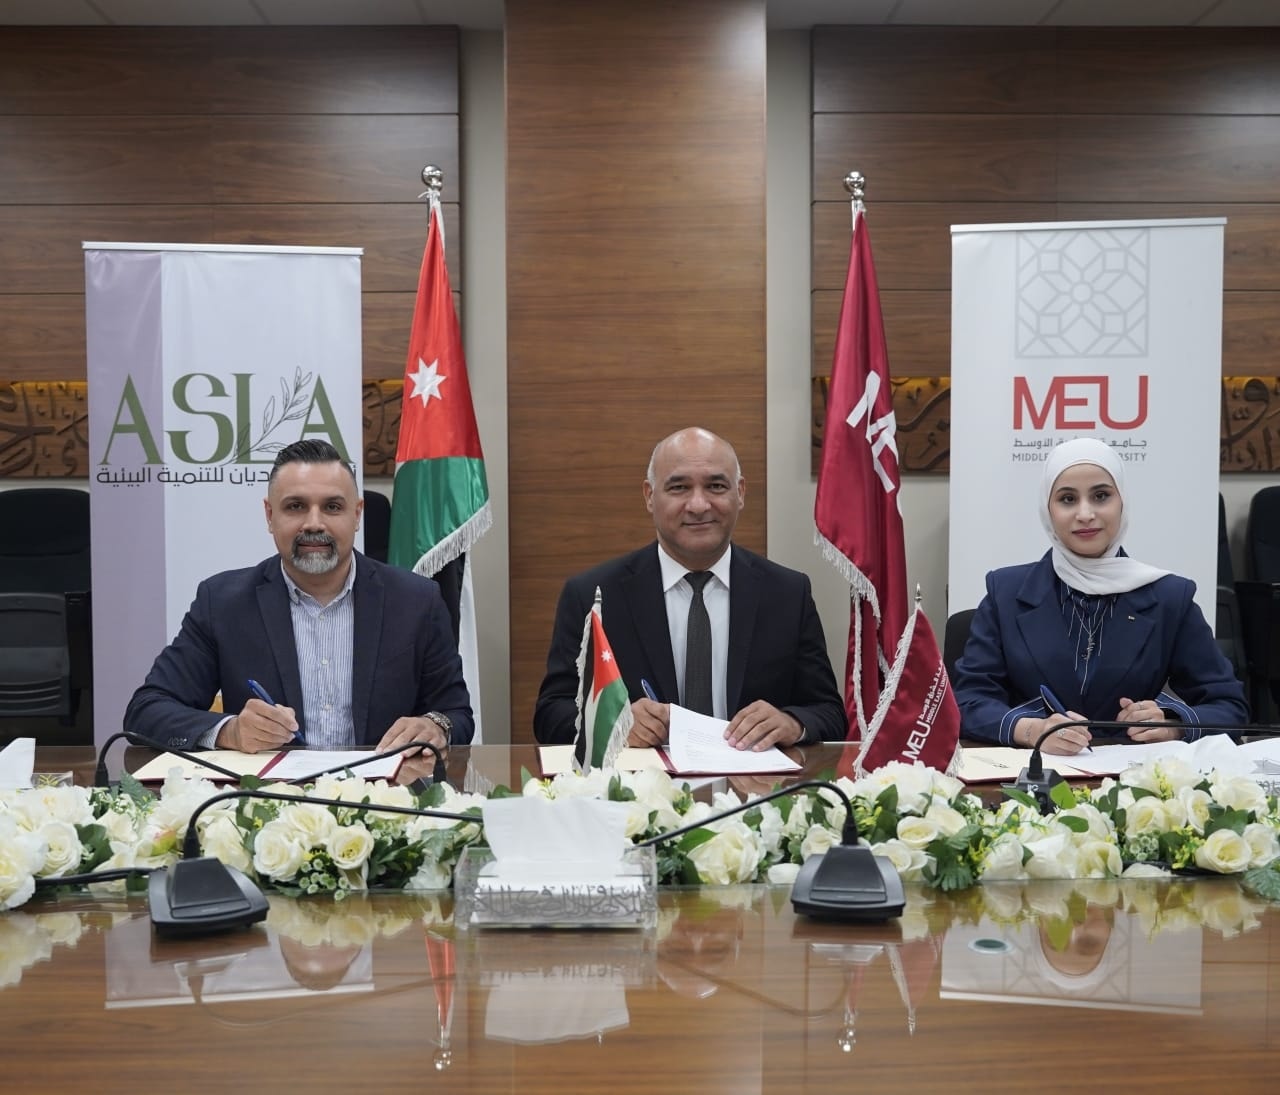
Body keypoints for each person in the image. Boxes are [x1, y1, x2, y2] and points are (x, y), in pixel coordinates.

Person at [124, 439, 472, 753]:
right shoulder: (223, 603)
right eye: (295, 506)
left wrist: (435, 726)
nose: (314, 523)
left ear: (356, 515)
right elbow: (146, 711)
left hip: (384, 792)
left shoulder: (416, 601)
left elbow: (456, 714)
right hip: (269, 796)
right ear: (270, 515)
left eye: (332, 507)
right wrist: (230, 732)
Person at [533, 427, 846, 750]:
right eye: (679, 487)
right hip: (641, 782)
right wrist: (613, 722)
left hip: (753, 780)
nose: (698, 505)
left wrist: (792, 723)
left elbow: (829, 713)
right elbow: (550, 715)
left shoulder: (788, 594)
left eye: (716, 486)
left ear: (740, 493)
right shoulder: (594, 595)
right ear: (649, 496)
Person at [953, 437, 1246, 754]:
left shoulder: (1170, 597)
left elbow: (1229, 707)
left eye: (1101, 496)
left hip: (1131, 777)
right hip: (1031, 773)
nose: (1085, 513)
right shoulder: (1005, 592)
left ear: (1122, 503)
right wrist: (1030, 730)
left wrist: (1173, 724)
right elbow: (967, 702)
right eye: (1067, 499)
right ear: (1047, 510)